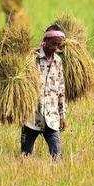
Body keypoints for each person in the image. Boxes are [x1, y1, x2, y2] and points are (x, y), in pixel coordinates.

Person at [21, 25, 67, 161]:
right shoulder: (31, 58)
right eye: (53, 44)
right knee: (25, 156)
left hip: (52, 117)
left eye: (58, 45)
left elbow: (61, 91)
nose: (55, 48)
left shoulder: (58, 62)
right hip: (31, 116)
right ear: (45, 41)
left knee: (57, 155)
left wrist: (62, 115)